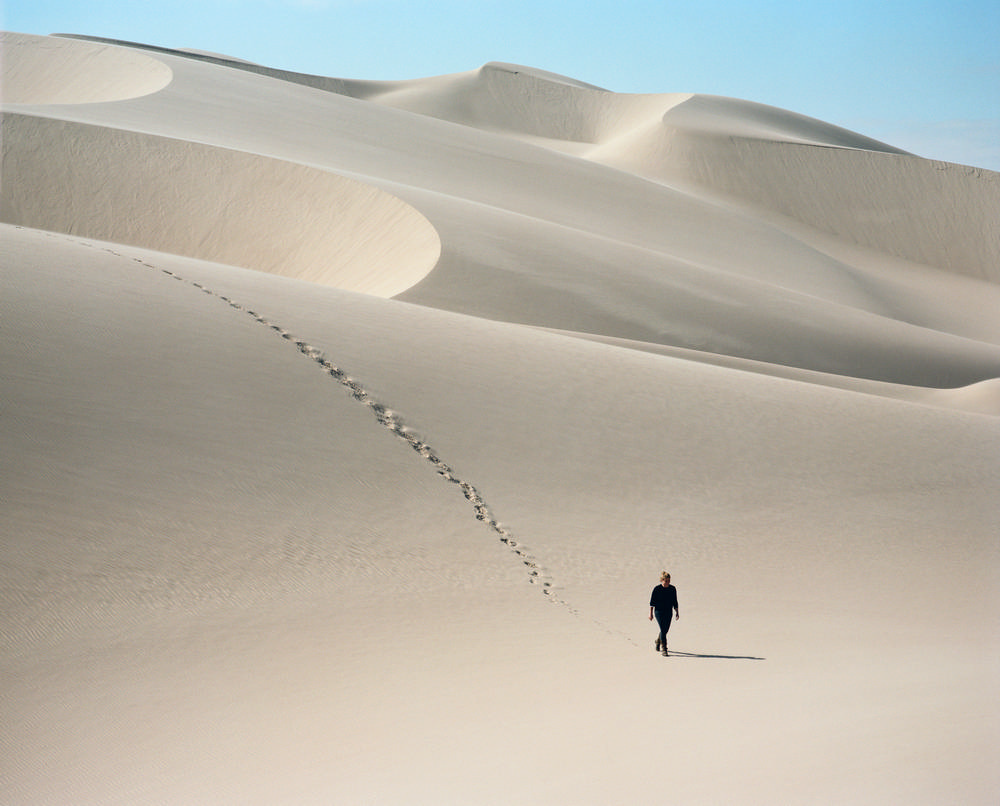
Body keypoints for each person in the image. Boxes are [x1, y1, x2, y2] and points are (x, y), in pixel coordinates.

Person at [649, 572, 679, 656]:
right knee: (663, 629)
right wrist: (650, 614)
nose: (667, 582)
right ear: (662, 580)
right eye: (665, 581)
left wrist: (677, 612)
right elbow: (652, 603)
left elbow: (675, 601)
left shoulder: (672, 589)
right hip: (659, 612)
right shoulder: (657, 589)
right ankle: (664, 649)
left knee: (665, 630)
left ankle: (658, 641)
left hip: (669, 612)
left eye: (669, 580)